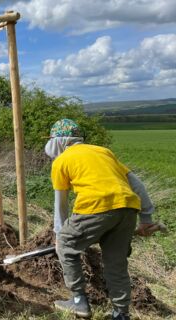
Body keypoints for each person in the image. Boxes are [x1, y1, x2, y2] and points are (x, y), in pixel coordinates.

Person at [44, 119, 155, 320]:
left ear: (59, 141)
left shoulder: (61, 161)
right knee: (116, 262)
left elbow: (60, 204)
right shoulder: (103, 152)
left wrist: (59, 235)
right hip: (128, 208)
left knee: (67, 244)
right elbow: (137, 184)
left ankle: (79, 302)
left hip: (95, 206)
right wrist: (146, 217)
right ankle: (121, 314)